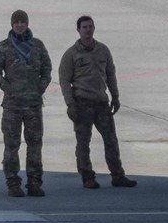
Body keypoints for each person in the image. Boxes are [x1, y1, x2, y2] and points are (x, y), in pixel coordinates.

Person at [59, 15, 137, 188]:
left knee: (111, 140)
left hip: (101, 103)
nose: (88, 30)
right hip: (82, 103)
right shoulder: (71, 54)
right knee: (83, 142)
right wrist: (70, 104)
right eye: (84, 27)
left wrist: (115, 96)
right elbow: (64, 80)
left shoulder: (103, 50)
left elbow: (110, 74)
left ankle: (117, 175)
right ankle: (87, 177)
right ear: (78, 30)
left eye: (90, 26)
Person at [0, 9, 52, 197]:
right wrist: (7, 87)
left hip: (33, 104)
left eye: (22, 22)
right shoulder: (3, 47)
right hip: (13, 105)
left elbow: (47, 68)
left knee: (35, 144)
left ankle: (34, 182)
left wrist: (41, 86)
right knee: (12, 145)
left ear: (27, 23)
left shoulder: (37, 46)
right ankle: (13, 182)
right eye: (16, 22)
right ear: (12, 25)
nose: (20, 25)